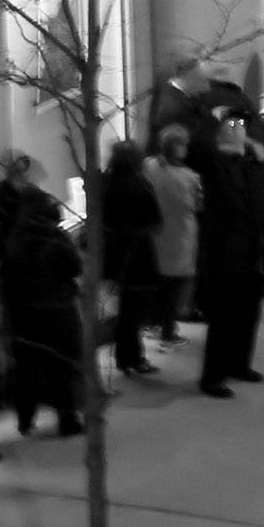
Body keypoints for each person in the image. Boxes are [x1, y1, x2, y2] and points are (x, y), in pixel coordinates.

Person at [195, 115, 264, 396]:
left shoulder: (255, 167)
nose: (239, 132)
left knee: (248, 313)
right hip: (226, 254)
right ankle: (213, 377)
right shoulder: (215, 167)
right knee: (224, 318)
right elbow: (200, 148)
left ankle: (239, 363)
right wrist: (219, 127)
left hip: (254, 251)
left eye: (242, 129)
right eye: (233, 129)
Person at [0, 190, 87, 429]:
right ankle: (67, 418)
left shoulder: (13, 239)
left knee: (27, 367)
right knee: (61, 366)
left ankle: (25, 417)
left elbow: (6, 276)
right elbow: (74, 267)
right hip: (57, 310)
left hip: (23, 313)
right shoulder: (56, 237)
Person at [94, 138, 163, 382]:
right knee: (134, 309)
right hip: (138, 252)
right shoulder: (140, 185)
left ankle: (127, 357)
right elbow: (155, 220)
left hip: (114, 252)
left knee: (125, 308)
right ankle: (132, 356)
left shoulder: (107, 185)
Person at [142, 123, 204, 345]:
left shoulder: (149, 166)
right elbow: (197, 205)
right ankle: (168, 332)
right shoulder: (189, 177)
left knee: (159, 284)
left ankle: (152, 323)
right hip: (181, 236)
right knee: (175, 288)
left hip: (156, 234)